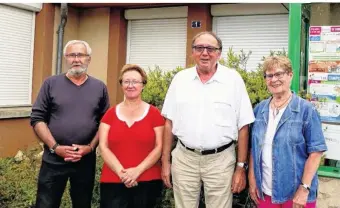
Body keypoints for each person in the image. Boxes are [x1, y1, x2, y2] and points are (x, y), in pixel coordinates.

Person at [161, 31, 255, 208]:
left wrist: (240, 168)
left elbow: (244, 126)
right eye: (199, 48)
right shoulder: (180, 80)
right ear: (192, 52)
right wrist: (165, 162)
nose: (205, 53)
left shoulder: (233, 80)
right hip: (184, 158)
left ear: (219, 53)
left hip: (221, 160)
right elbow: (169, 123)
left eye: (211, 48)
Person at [30, 40, 110, 208]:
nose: (76, 59)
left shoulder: (99, 87)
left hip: (85, 160)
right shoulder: (50, 84)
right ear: (65, 58)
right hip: (53, 159)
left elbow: (105, 123)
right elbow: (37, 119)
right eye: (71, 55)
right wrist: (55, 147)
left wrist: (90, 147)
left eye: (81, 55)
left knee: (82, 204)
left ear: (89, 59)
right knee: (45, 204)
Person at [248, 56, 328, 208]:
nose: (274, 79)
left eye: (279, 74)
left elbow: (316, 152)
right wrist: (252, 179)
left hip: (296, 193)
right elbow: (254, 149)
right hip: (265, 191)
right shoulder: (260, 110)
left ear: (290, 75)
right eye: (269, 75)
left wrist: (304, 188)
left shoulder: (306, 110)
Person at [98, 64, 164, 208]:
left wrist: (137, 171)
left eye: (135, 81)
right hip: (113, 180)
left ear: (143, 85)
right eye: (126, 81)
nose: (130, 85)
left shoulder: (155, 114)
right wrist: (122, 173)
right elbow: (103, 147)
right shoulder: (109, 115)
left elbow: (159, 147)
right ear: (121, 85)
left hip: (147, 180)